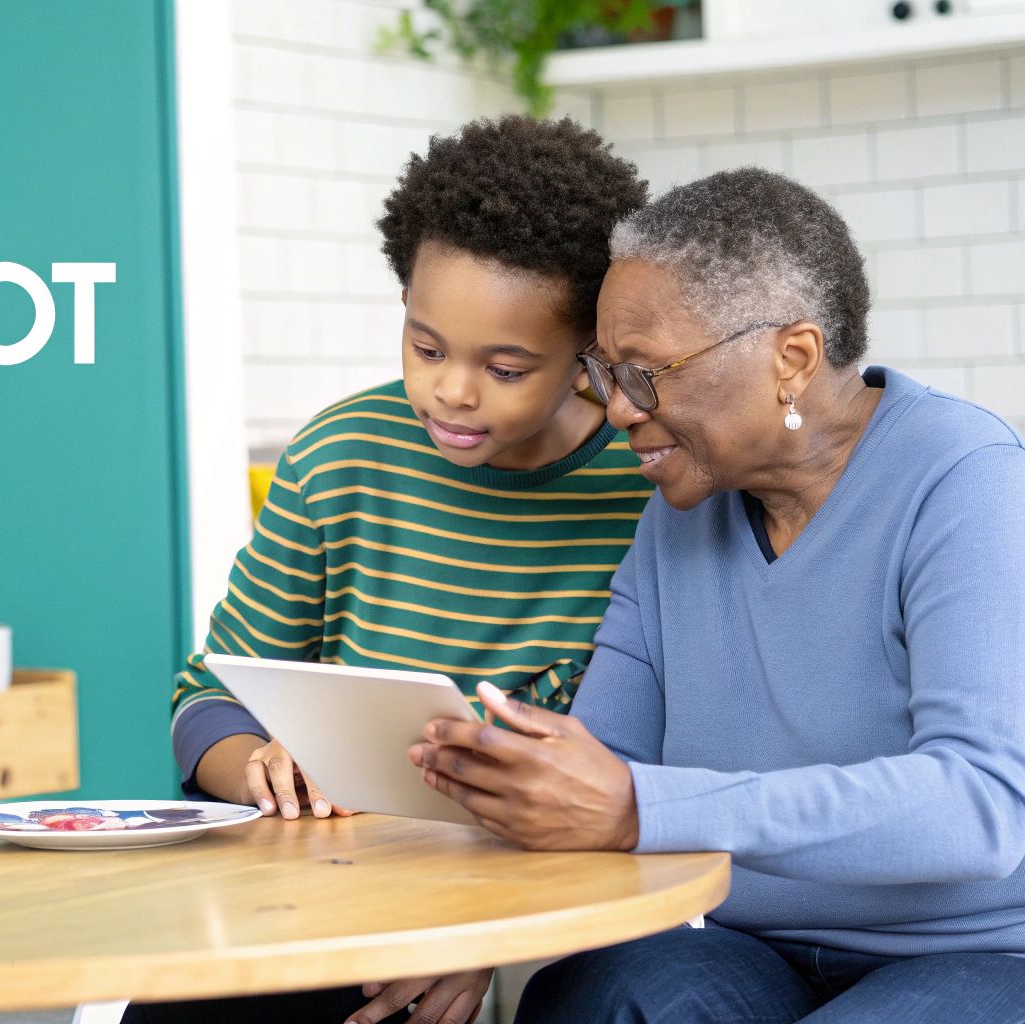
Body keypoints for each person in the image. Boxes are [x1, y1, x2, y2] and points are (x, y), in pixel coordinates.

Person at [408, 167, 1025, 1024]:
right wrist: (472, 924)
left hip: (1018, 949)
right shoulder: (677, 521)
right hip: (767, 954)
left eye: (646, 374)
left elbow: (979, 808)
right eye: (605, 373)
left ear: (793, 359)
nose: (620, 410)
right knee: (598, 998)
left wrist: (639, 805)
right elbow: (595, 772)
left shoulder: (968, 483)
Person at [125, 116, 648, 1024]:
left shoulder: (649, 486)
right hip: (337, 887)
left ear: (587, 358)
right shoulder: (342, 453)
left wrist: (481, 932)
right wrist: (259, 764)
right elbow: (205, 696)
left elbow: (656, 773)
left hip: (550, 889)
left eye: (507, 366)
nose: (452, 390)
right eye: (426, 345)